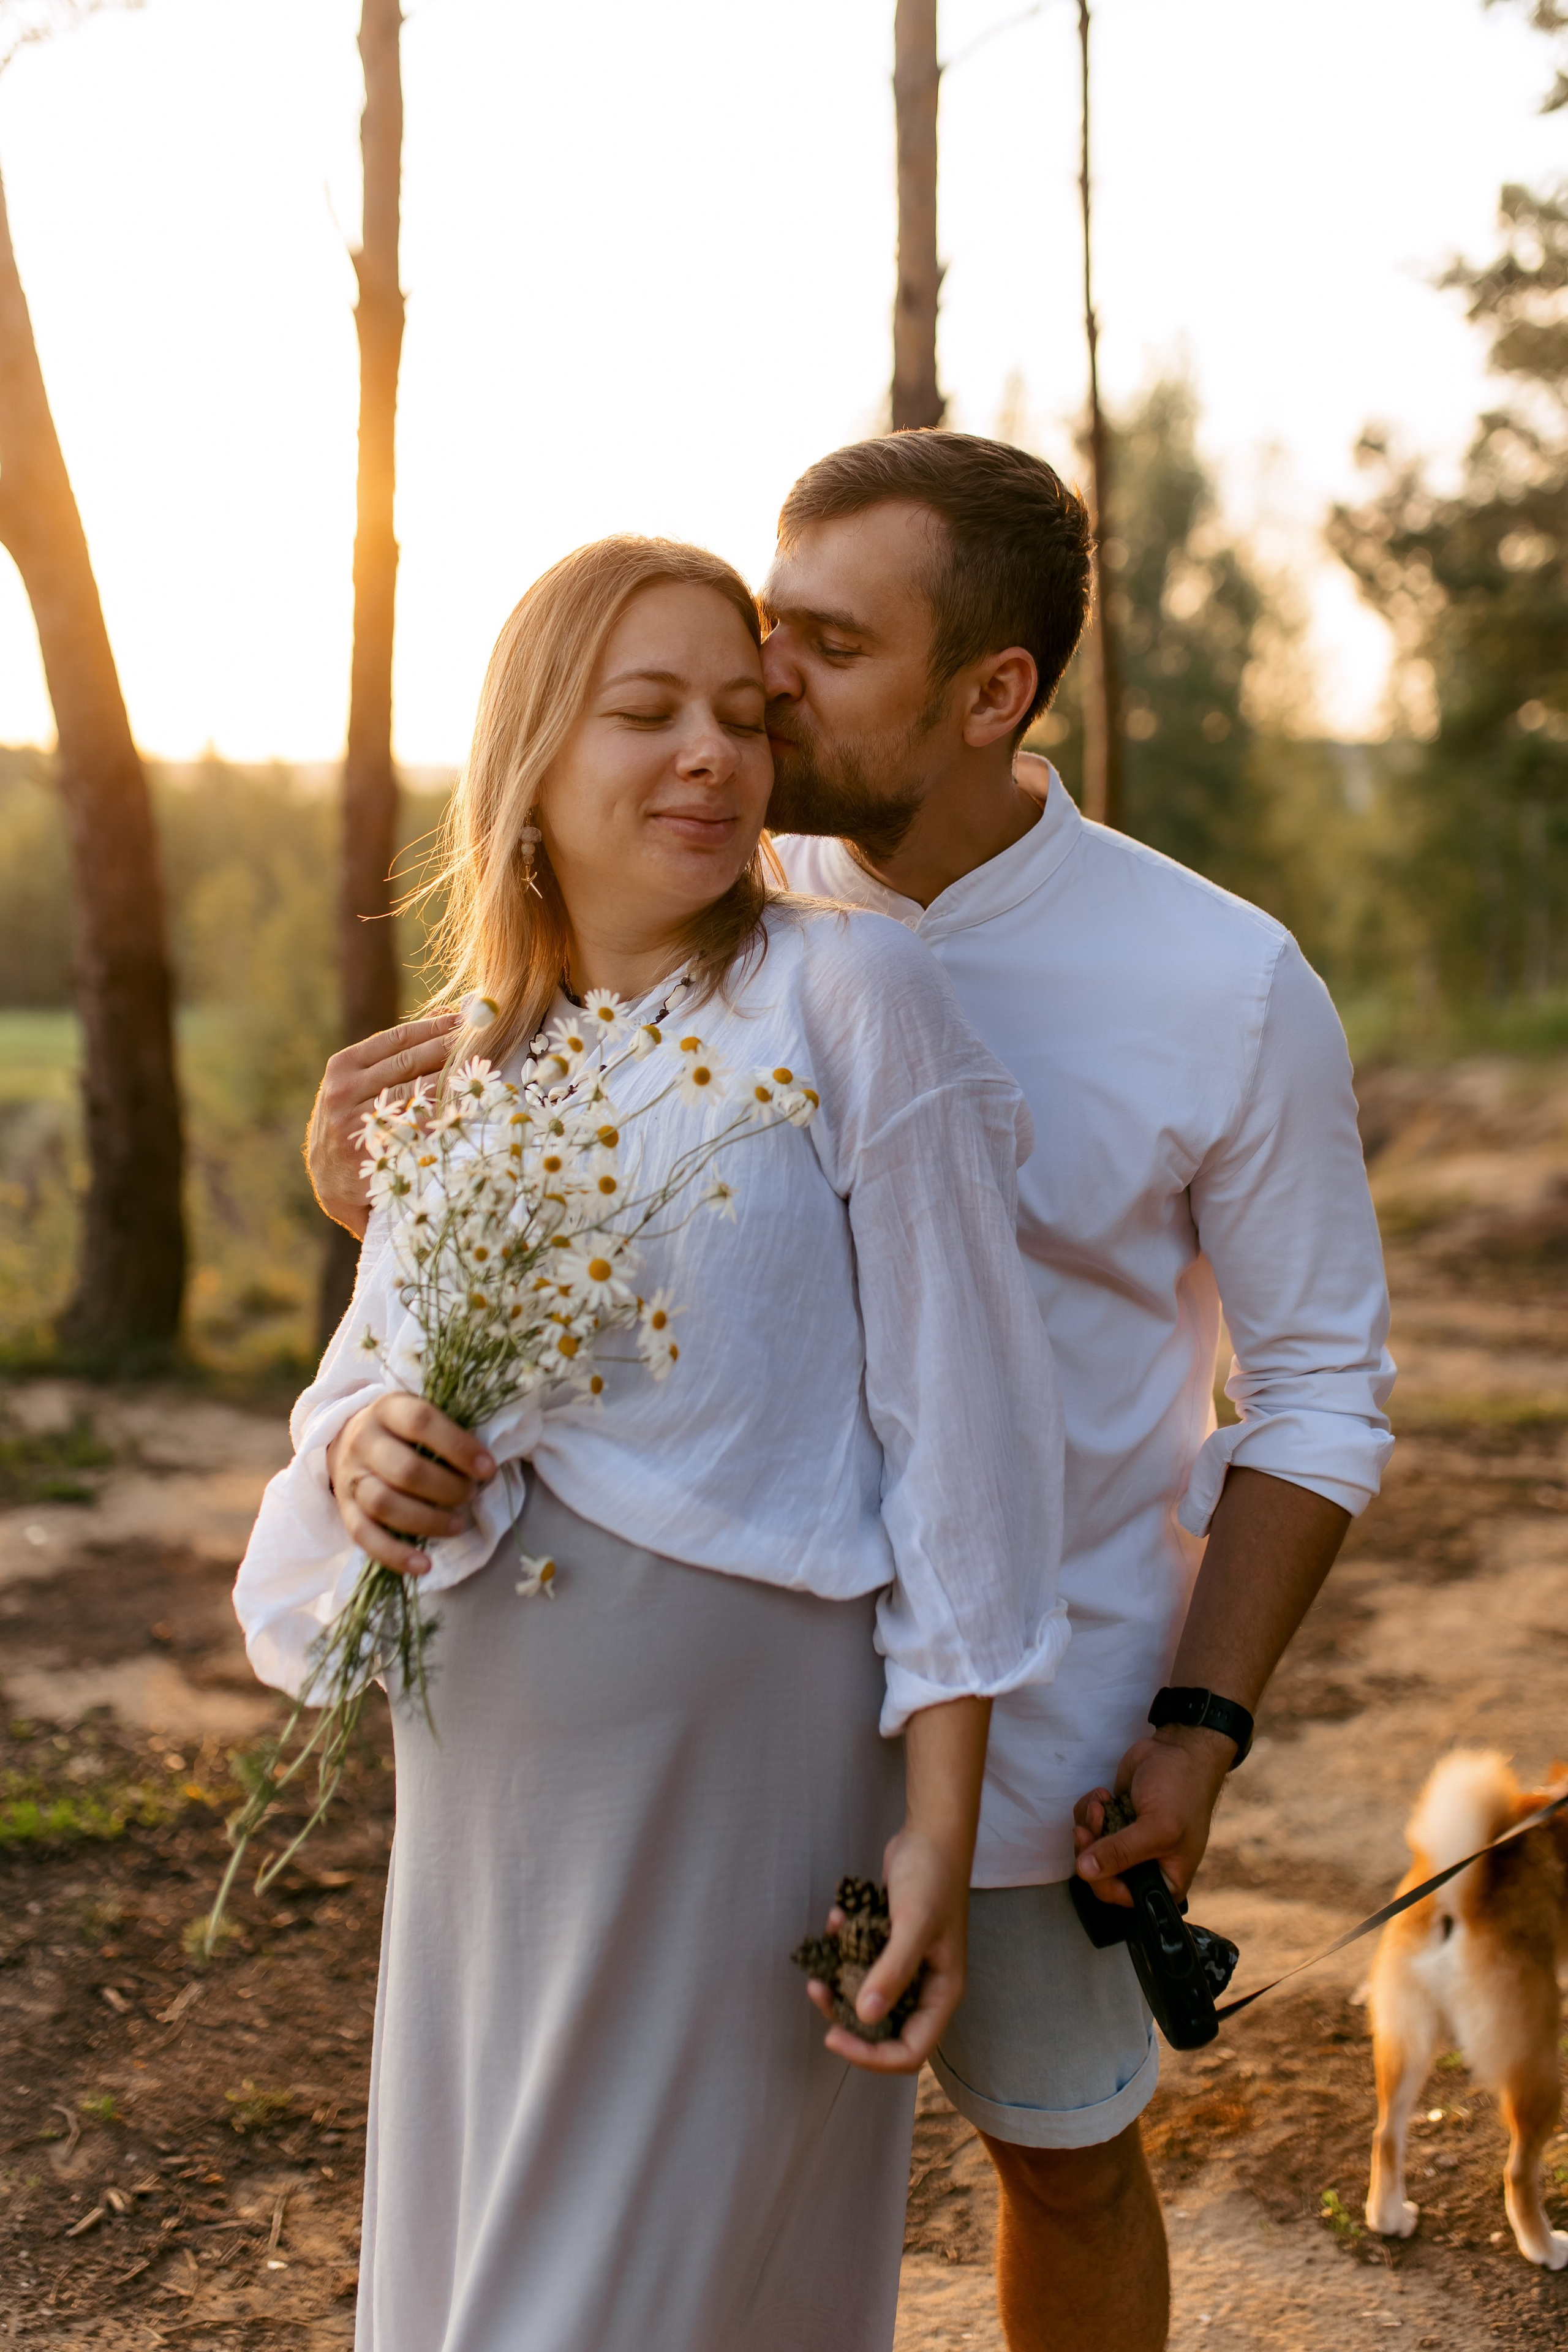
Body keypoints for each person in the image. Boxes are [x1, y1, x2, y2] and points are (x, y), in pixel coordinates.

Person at [306, 437, 1395, 2352]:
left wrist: (1201, 1722)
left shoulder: (1222, 983)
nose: (761, 687)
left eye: (819, 645)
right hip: (716, 1738)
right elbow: (513, 1210)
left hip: (1045, 1707)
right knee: (696, 2199)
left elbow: (1312, 1390)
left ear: (992, 693)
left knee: (1058, 2154)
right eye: (755, 633)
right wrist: (382, 1197)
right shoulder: (706, 886)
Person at [236, 534, 1069, 2352]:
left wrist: (941, 1827)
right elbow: (349, 1414)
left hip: (747, 1788)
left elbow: (970, 1438)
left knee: (631, 2302)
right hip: (495, 1802)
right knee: (498, 2274)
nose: (712, 753)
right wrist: (372, 1452)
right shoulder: (465, 1078)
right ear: (533, 756)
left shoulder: (849, 995)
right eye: (648, 712)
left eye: (741, 717)